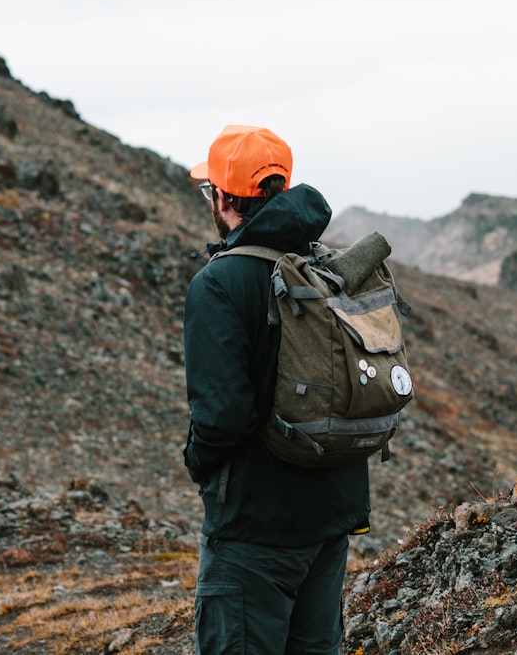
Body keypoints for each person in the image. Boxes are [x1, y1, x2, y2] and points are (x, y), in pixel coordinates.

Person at [182, 125, 371, 655]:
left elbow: (222, 416)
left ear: (221, 197)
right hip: (330, 517)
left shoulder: (218, 283)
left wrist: (198, 463)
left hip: (254, 530)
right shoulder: (323, 265)